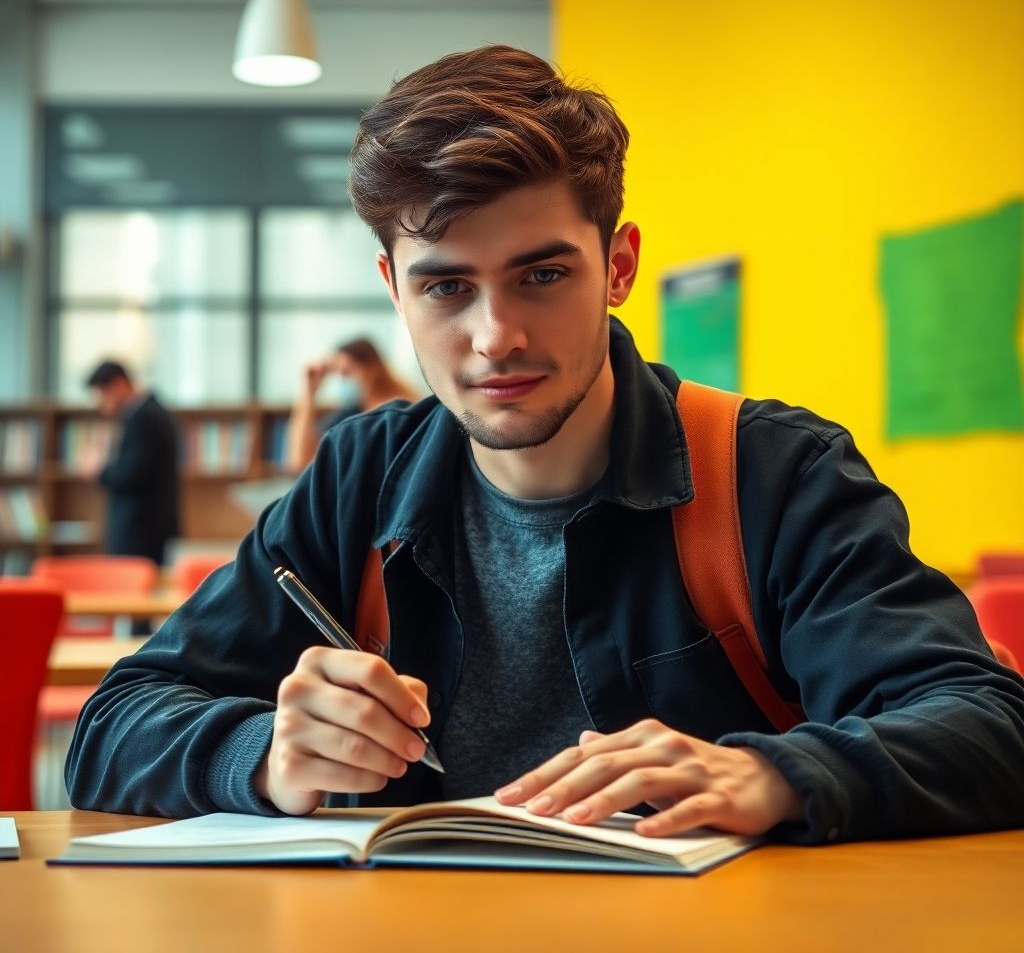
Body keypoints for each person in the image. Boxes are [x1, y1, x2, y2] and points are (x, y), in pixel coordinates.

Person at [66, 47, 1024, 843]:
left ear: (617, 266)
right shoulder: (359, 477)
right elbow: (110, 729)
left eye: (541, 274)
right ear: (393, 287)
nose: (495, 337)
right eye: (446, 287)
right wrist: (265, 756)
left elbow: (992, 725)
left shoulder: (775, 473)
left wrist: (772, 775)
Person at [83, 360, 180, 569]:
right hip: (148, 531)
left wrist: (99, 471)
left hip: (139, 533)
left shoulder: (143, 417)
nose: (101, 405)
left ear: (119, 384)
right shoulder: (152, 413)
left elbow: (133, 474)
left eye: (102, 395)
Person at [285, 338, 418, 473]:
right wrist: (309, 392)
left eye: (347, 372)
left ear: (372, 368)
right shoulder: (351, 415)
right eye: (337, 373)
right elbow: (300, 461)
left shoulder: (407, 410)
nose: (342, 381)